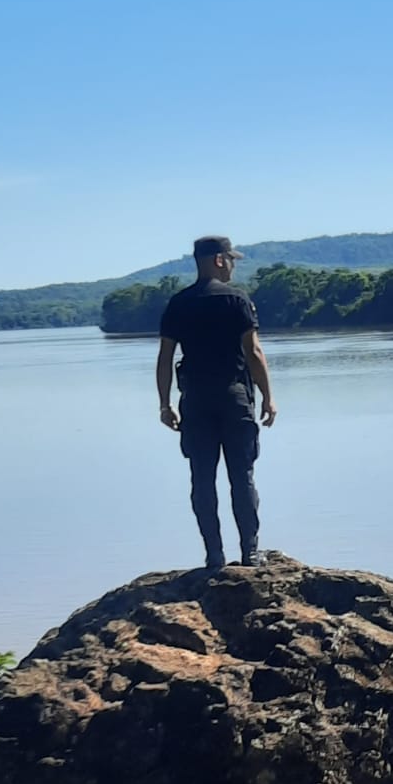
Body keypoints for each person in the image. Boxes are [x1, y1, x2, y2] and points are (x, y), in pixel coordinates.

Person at [156, 236, 278, 570]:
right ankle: (250, 553)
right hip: (234, 397)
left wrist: (165, 404)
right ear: (219, 260)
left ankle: (214, 556)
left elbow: (165, 357)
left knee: (202, 479)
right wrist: (268, 396)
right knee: (242, 476)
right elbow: (253, 351)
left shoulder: (178, 303)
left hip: (195, 401)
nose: (233, 266)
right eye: (231, 259)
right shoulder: (236, 299)